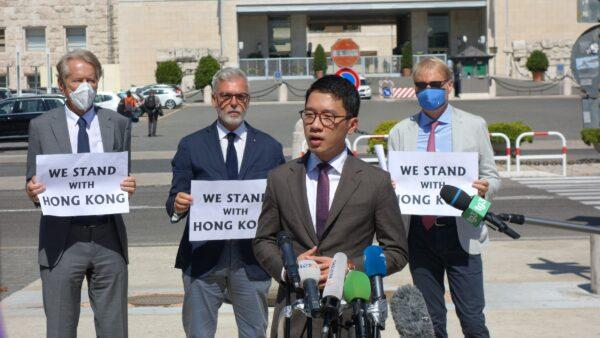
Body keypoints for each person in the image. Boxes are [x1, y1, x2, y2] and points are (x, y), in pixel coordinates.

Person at [253, 75, 409, 337]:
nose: (315, 126)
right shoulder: (280, 178)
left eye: (328, 118)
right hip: (295, 315)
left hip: (352, 317)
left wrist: (347, 268)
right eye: (309, 115)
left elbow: (395, 251)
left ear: (351, 124)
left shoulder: (375, 181)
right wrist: (288, 268)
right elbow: (263, 241)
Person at [165, 67, 285, 338]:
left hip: (252, 259)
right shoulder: (191, 145)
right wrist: (178, 205)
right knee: (199, 333)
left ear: (249, 100)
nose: (234, 102)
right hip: (203, 258)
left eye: (241, 96)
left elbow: (281, 204)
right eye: (226, 96)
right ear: (214, 100)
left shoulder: (270, 148)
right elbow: (174, 198)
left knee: (254, 332)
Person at [25, 49, 136, 338]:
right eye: (76, 81)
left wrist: (128, 187)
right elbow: (32, 180)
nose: (85, 87)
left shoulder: (119, 124)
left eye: (91, 79)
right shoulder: (40, 126)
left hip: (108, 238)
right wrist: (33, 190)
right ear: (62, 85)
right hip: (62, 241)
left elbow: (121, 174)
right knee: (60, 328)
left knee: (115, 329)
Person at [388, 57, 500, 338]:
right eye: (421, 85)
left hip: (462, 231)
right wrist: (389, 188)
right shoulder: (400, 132)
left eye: (435, 84)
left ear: (449, 85)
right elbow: (391, 183)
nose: (428, 90)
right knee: (430, 323)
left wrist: (486, 188)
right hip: (419, 235)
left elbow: (493, 176)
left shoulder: (473, 125)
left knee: (473, 321)